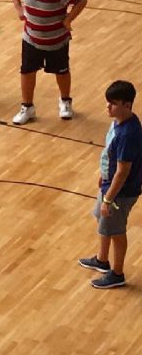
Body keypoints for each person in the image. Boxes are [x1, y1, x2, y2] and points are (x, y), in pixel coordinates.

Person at [8, 0, 87, 124]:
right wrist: (18, 6)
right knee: (27, 72)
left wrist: (68, 19)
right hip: (31, 38)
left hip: (56, 41)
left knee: (62, 72)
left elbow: (81, 0)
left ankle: (65, 102)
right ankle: (27, 107)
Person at [79, 81, 142, 289]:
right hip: (109, 184)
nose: (108, 107)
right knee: (102, 220)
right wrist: (104, 175)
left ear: (127, 105)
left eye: (113, 103)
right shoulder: (118, 122)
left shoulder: (128, 134)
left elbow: (123, 171)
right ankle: (102, 260)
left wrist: (108, 198)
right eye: (108, 102)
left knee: (116, 230)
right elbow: (110, 154)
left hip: (119, 193)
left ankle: (117, 273)